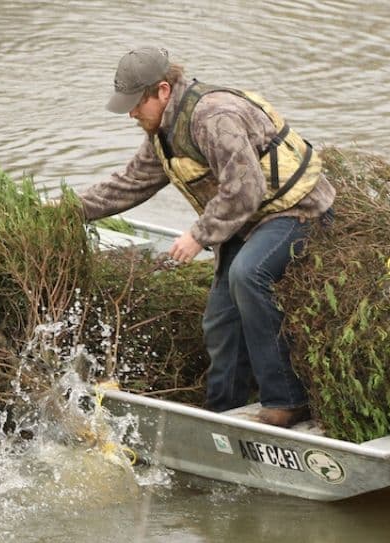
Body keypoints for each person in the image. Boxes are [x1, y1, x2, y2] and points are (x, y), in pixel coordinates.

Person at [74, 48, 335, 427]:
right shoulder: (163, 131)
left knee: (248, 275)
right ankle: (223, 412)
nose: (131, 114)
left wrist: (199, 235)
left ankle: (286, 401)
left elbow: (245, 187)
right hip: (247, 220)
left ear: (162, 90)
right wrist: (66, 208)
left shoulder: (213, 117)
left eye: (135, 104)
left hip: (298, 212)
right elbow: (130, 184)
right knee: (220, 317)